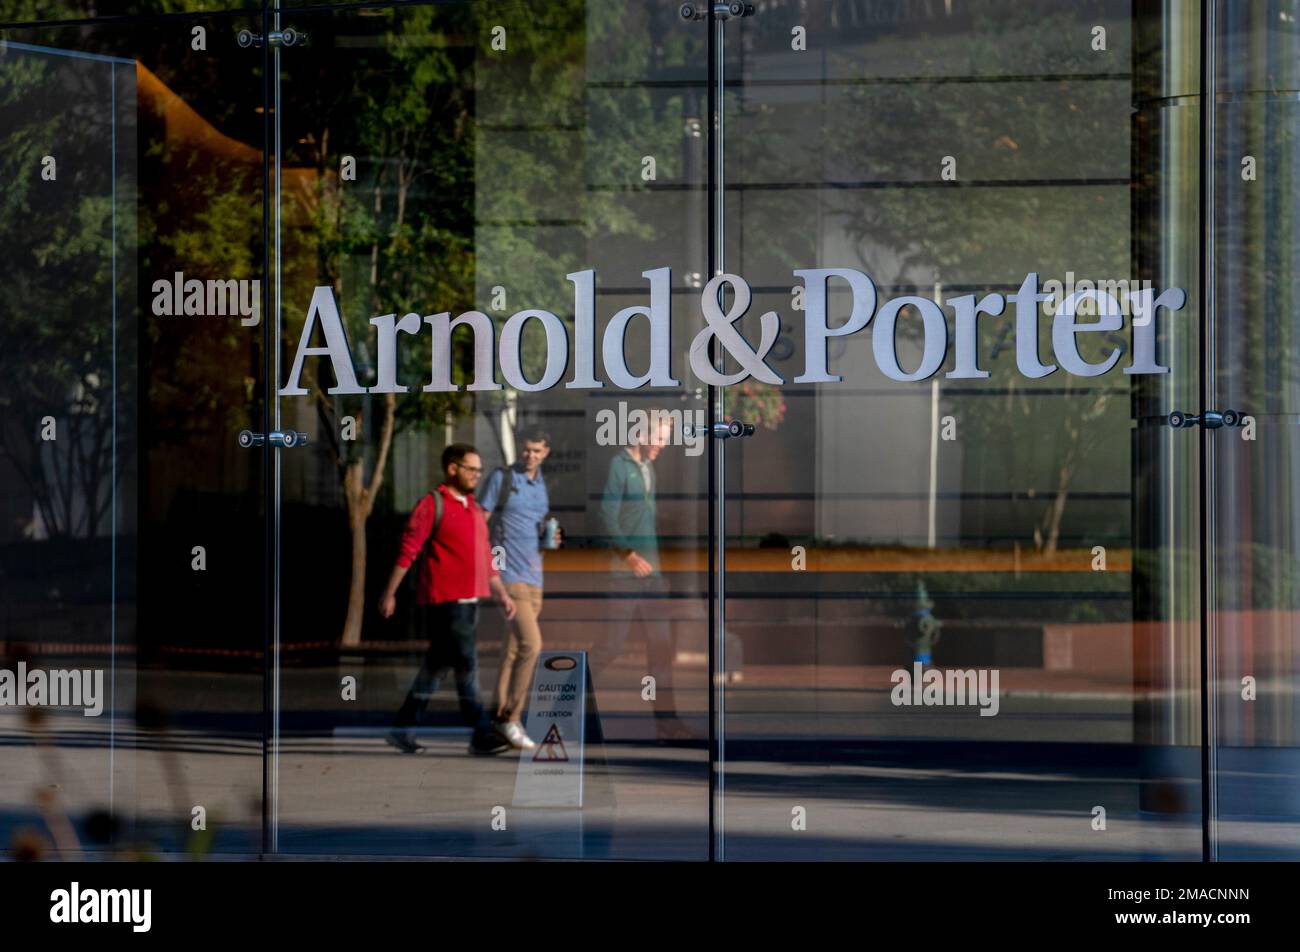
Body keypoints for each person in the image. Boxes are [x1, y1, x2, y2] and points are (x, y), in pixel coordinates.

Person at [379, 443, 518, 755]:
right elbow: (409, 550)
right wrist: (390, 593)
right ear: (452, 469)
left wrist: (503, 595)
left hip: (471, 602)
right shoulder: (432, 505)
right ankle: (481, 734)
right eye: (471, 469)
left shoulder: (473, 509)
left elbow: (486, 559)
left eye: (479, 470)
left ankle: (402, 728)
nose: (476, 475)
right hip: (447, 601)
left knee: (436, 667)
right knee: (468, 667)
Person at [592, 411, 693, 741]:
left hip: (654, 578)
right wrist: (629, 555)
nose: (663, 445)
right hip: (624, 574)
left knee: (661, 648)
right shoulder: (619, 466)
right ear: (641, 435)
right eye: (660, 438)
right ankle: (565, 695)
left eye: (665, 438)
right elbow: (606, 516)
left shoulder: (649, 468)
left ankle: (667, 722)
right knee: (611, 647)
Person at [477, 429, 556, 751]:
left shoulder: (541, 485)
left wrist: (551, 540)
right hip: (510, 576)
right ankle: (511, 716)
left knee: (511, 650)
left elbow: (536, 528)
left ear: (545, 452)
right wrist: (490, 569)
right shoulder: (502, 478)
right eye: (526, 450)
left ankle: (495, 720)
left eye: (537, 450)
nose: (530, 456)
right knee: (532, 645)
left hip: (535, 577)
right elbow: (478, 523)